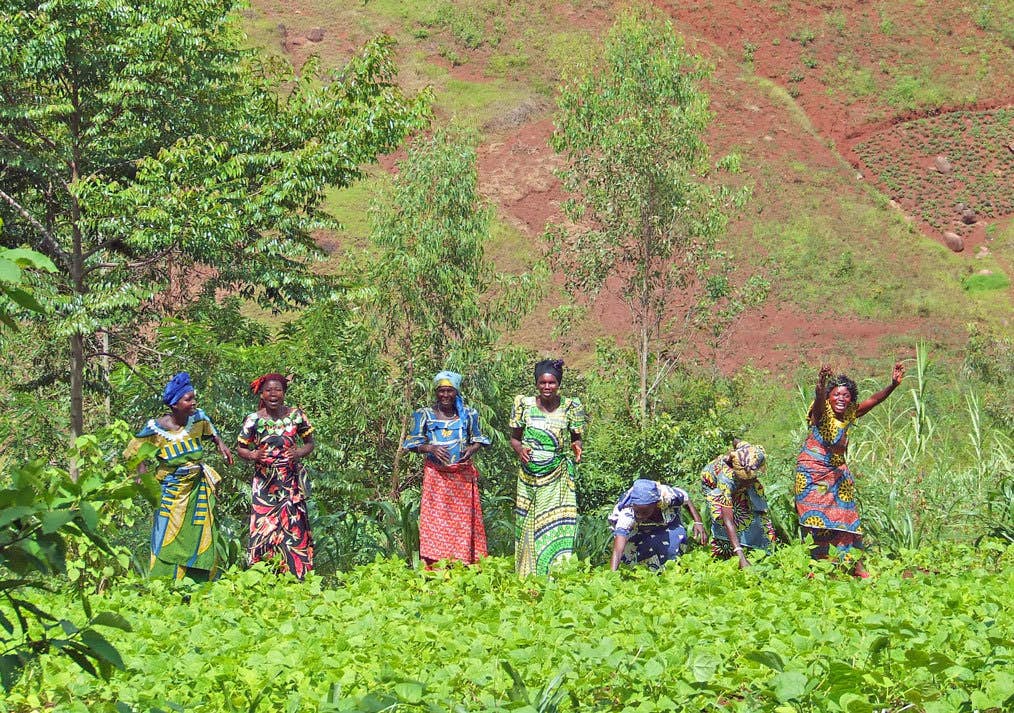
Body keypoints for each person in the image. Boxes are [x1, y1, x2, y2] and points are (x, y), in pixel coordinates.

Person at [795, 361, 906, 577]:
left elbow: (874, 400)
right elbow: (819, 402)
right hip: (812, 474)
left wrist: (892, 385)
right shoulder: (822, 412)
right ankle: (817, 568)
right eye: (836, 394)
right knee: (815, 522)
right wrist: (821, 384)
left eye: (846, 395)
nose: (841, 399)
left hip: (837, 474)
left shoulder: (849, 414)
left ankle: (854, 567)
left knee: (847, 516)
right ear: (829, 397)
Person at [124, 372, 234, 582]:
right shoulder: (156, 428)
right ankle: (164, 582)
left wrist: (221, 444)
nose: (194, 403)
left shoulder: (197, 418)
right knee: (166, 533)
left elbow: (210, 429)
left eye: (194, 398)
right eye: (188, 399)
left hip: (197, 488)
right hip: (171, 489)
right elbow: (135, 450)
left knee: (200, 531)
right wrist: (141, 472)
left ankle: (198, 582)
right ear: (174, 404)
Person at [402, 371, 491, 566]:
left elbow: (478, 439)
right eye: (441, 391)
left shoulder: (469, 414)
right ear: (436, 392)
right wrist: (430, 448)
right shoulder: (424, 415)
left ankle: (463, 562)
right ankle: (435, 564)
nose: (445, 395)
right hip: (436, 477)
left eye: (449, 391)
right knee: (436, 521)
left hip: (462, 477)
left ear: (456, 392)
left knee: (462, 522)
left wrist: (472, 449)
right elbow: (412, 443)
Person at [510, 359, 586, 576]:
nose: (547, 387)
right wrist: (520, 450)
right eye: (542, 382)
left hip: (558, 476)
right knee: (528, 522)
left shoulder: (571, 407)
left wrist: (577, 447)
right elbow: (514, 438)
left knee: (557, 521)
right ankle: (527, 574)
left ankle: (556, 573)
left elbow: (576, 437)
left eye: (551, 383)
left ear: (558, 384)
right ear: (536, 383)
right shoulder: (524, 405)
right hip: (529, 477)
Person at [236, 373, 316, 579]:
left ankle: (297, 575)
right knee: (264, 528)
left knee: (293, 527)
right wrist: (254, 455)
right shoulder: (253, 420)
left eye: (278, 390)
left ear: (284, 393)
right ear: (261, 394)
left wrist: (298, 453)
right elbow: (240, 448)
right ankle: (262, 575)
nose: (273, 394)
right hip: (264, 485)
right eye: (268, 390)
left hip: (290, 483)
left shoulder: (296, 416)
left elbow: (310, 443)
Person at [701, 439, 776, 569]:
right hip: (712, 484)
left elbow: (736, 441)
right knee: (725, 519)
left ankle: (763, 549)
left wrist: (734, 452)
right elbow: (727, 520)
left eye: (750, 480)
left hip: (738, 480)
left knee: (757, 513)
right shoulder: (726, 480)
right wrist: (739, 554)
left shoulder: (755, 455)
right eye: (744, 480)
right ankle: (730, 555)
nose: (748, 483)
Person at [608, 479, 708, 571]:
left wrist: (698, 522)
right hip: (636, 529)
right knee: (636, 555)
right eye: (637, 511)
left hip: (666, 523)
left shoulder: (667, 496)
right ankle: (647, 572)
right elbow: (618, 549)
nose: (640, 516)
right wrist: (612, 574)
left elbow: (685, 499)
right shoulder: (627, 513)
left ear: (656, 504)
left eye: (645, 512)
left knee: (675, 537)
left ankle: (672, 569)